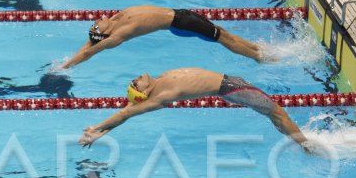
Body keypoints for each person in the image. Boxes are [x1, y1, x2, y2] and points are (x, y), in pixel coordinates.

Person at [80, 68, 309, 148]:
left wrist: (100, 133)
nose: (136, 78)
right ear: (145, 93)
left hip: (231, 83)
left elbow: (127, 110)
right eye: (135, 84)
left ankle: (296, 139)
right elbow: (127, 112)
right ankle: (307, 145)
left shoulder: (159, 82)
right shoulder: (162, 95)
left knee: (273, 115)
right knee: (277, 112)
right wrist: (96, 128)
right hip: (230, 88)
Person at [59, 6, 265, 69]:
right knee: (223, 39)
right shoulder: (118, 34)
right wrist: (66, 66)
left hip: (180, 13)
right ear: (104, 33)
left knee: (222, 32)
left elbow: (90, 41)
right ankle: (259, 57)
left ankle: (256, 48)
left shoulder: (115, 19)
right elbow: (91, 50)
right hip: (181, 24)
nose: (96, 19)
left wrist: (90, 38)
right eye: (96, 25)